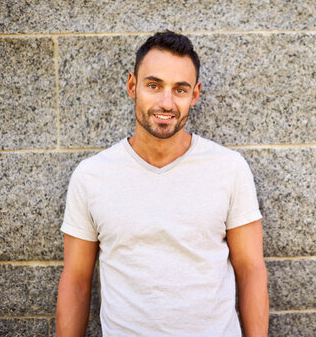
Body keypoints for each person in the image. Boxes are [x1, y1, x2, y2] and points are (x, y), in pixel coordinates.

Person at [56, 30, 269, 336]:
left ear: (194, 95)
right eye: (154, 86)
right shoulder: (92, 176)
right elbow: (76, 280)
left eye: (179, 90)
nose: (166, 102)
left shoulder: (228, 168)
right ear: (133, 86)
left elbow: (251, 270)